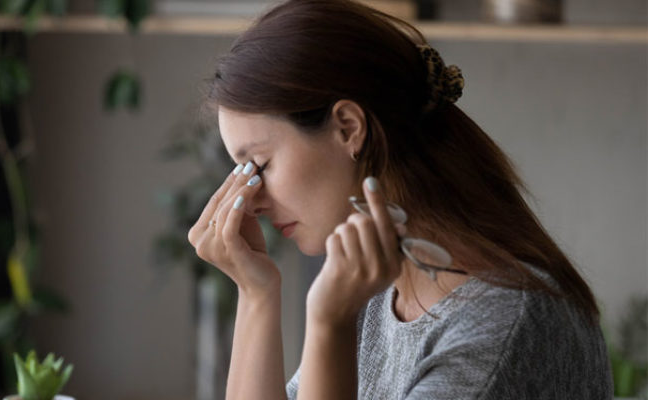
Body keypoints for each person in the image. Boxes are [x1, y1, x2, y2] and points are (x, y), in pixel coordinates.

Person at [187, 0, 613, 398]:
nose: (252, 201)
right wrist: (256, 292)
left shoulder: (506, 327)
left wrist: (329, 326)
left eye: (258, 166)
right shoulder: (376, 288)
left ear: (348, 128)